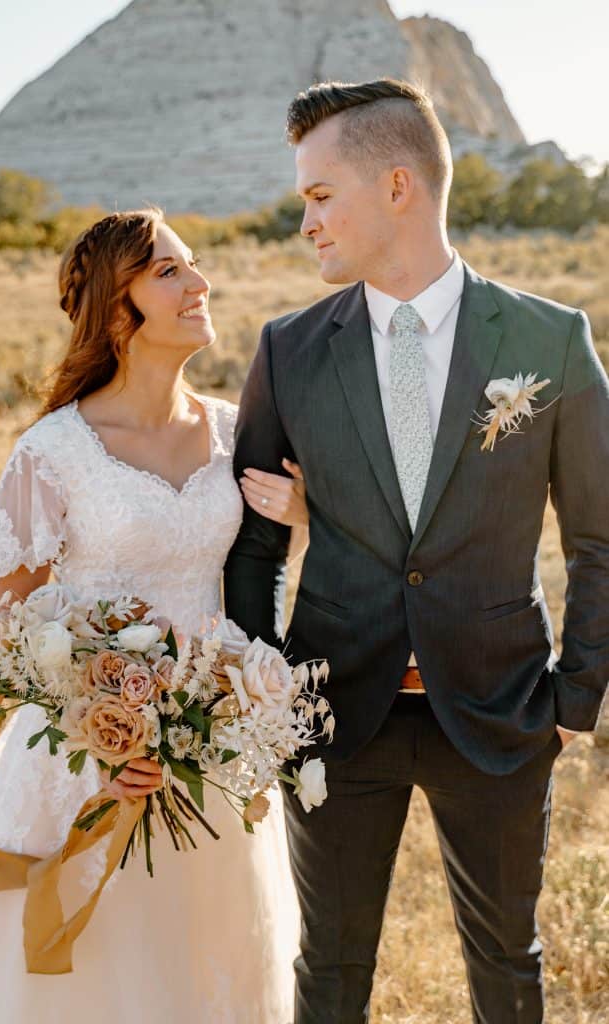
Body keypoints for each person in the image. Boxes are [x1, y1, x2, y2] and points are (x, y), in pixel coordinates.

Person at [224, 78, 609, 1024]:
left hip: (500, 708)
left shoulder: (548, 338)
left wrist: (575, 699)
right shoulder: (288, 349)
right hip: (331, 710)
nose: (305, 222)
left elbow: (598, 538)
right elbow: (252, 549)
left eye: (321, 195)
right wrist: (266, 690)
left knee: (508, 966)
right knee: (329, 969)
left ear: (397, 185)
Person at [0, 208, 307, 1023]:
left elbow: (267, 567)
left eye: (193, 264)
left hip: (210, 748)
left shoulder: (235, 433)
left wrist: (307, 513)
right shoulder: (52, 451)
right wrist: (103, 735)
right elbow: (12, 631)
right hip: (85, 756)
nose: (199, 282)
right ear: (114, 308)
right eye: (169, 271)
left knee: (203, 963)